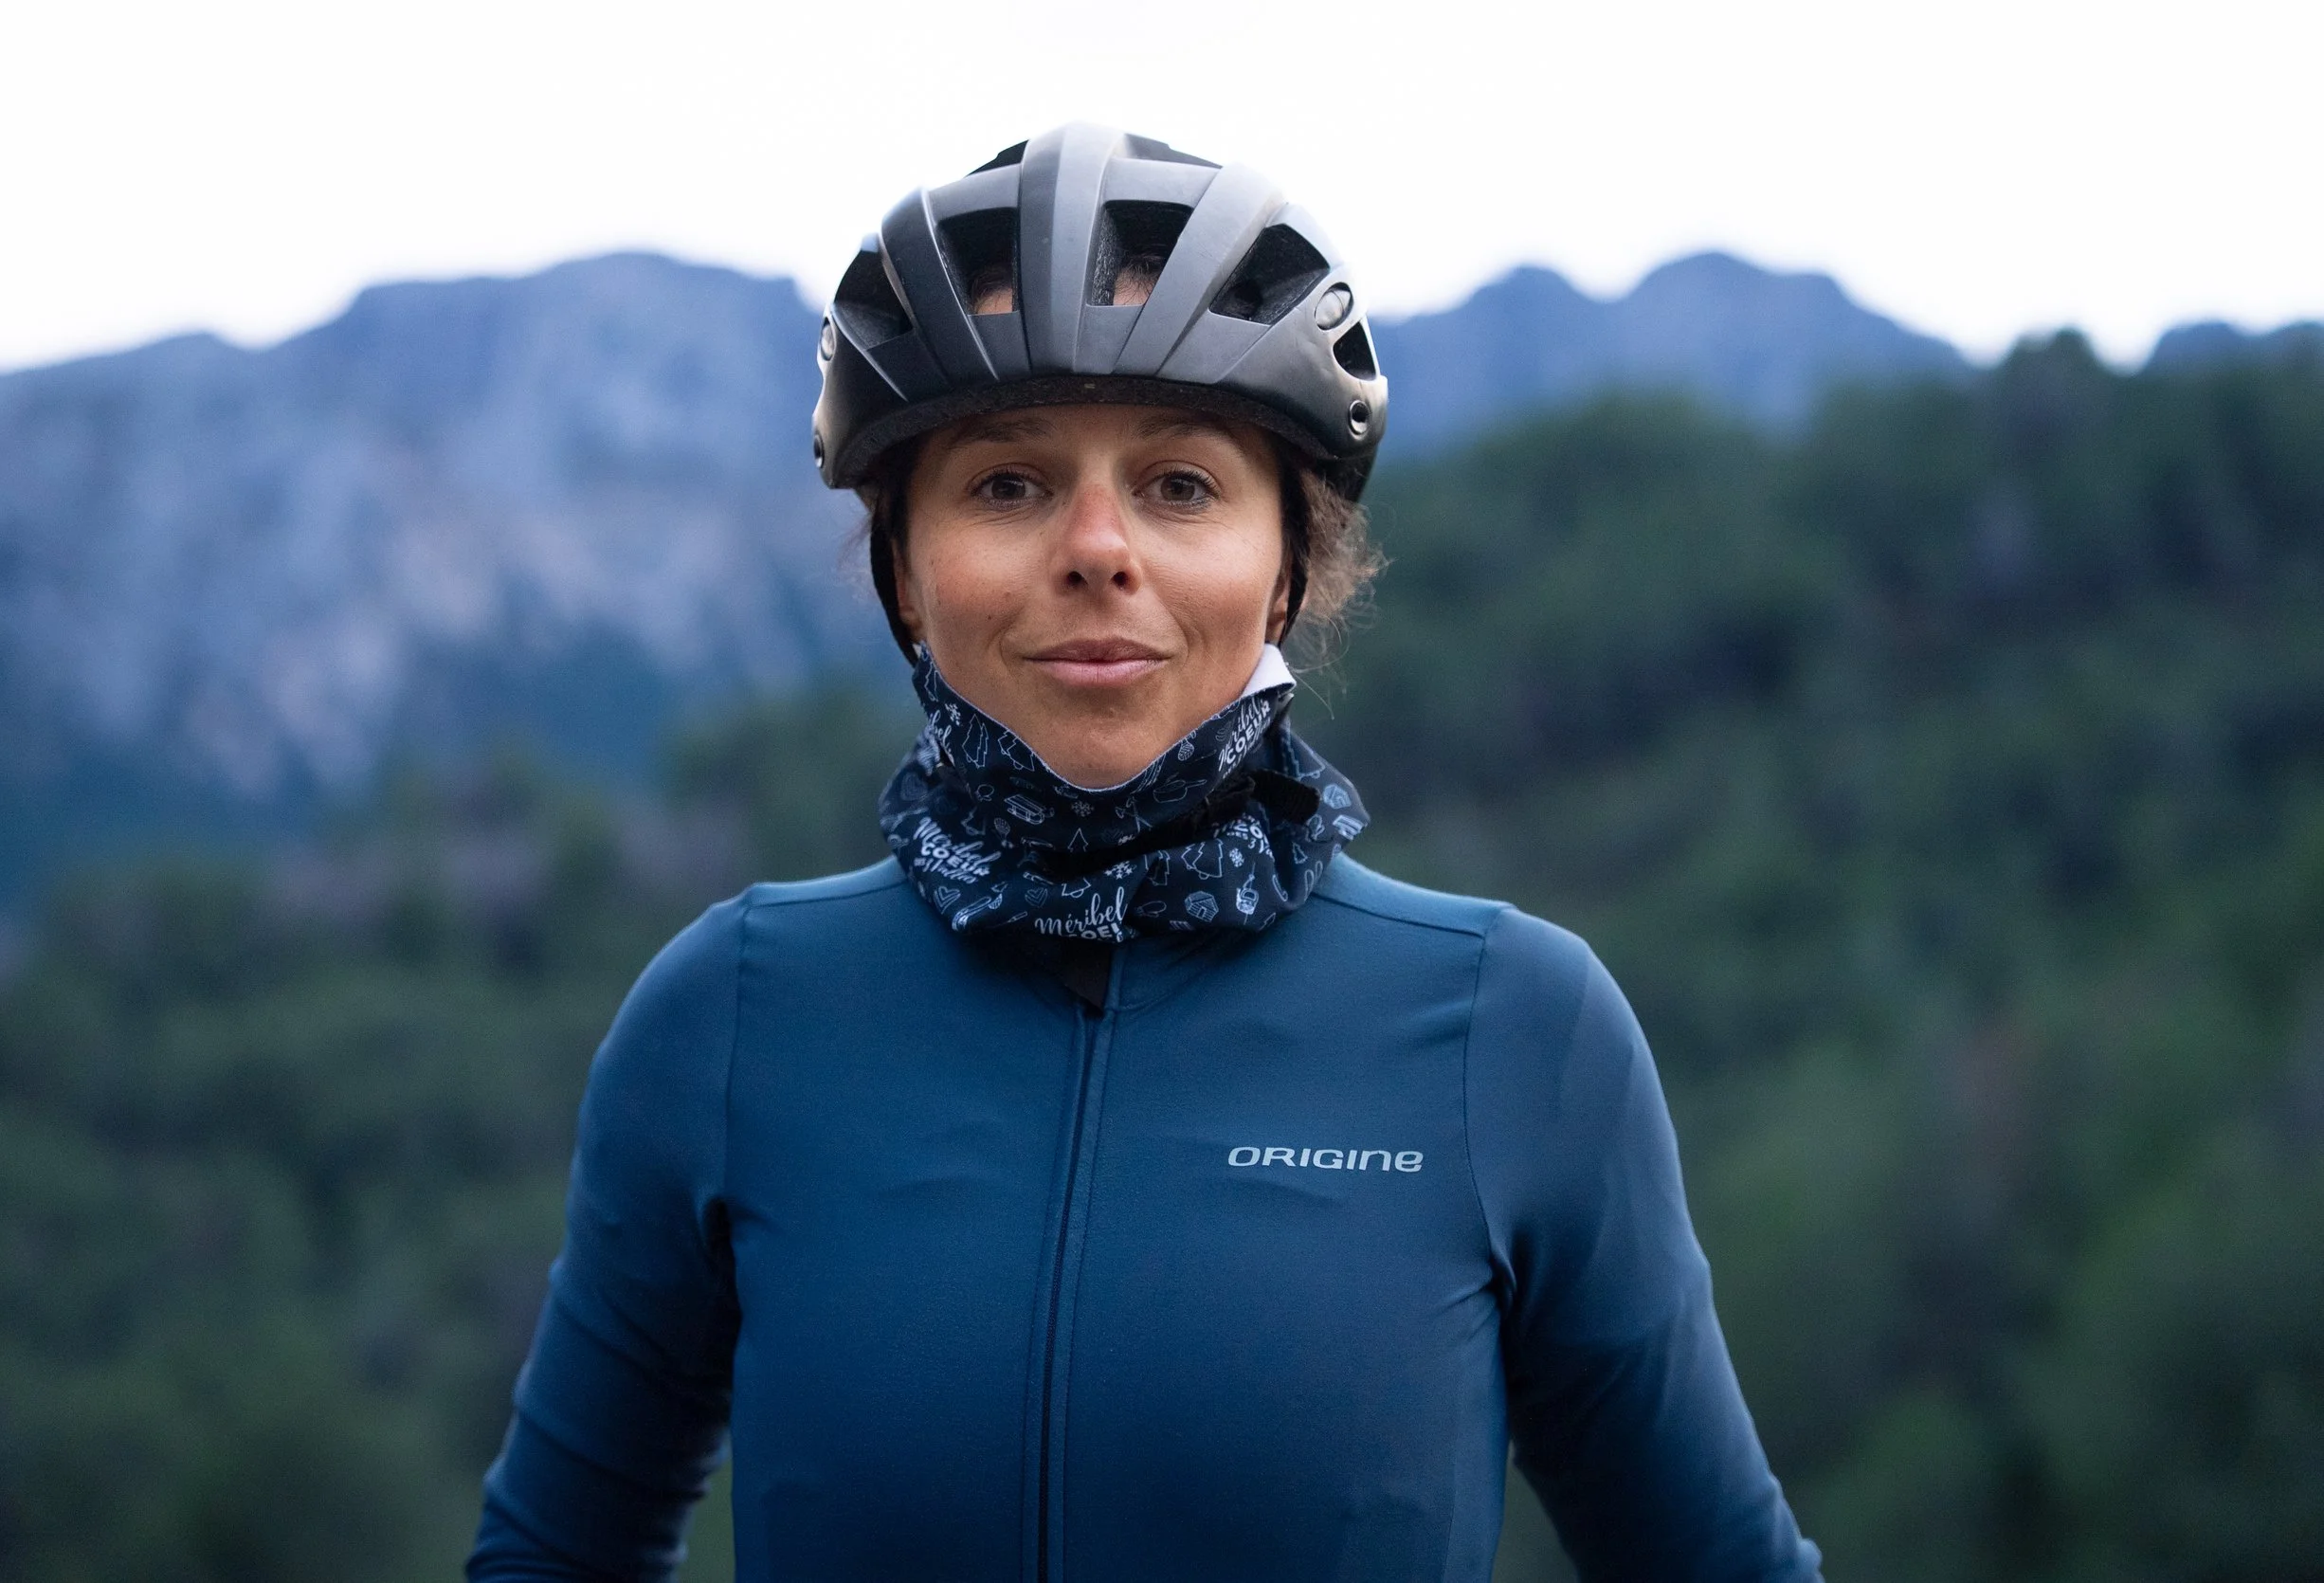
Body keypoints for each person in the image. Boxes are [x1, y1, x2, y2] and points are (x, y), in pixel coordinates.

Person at [467, 124, 1822, 1582]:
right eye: (1007, 484)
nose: (1099, 546)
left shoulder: (1520, 1027)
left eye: (1181, 484)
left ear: (1287, 566)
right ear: (905, 575)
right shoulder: (728, 1013)